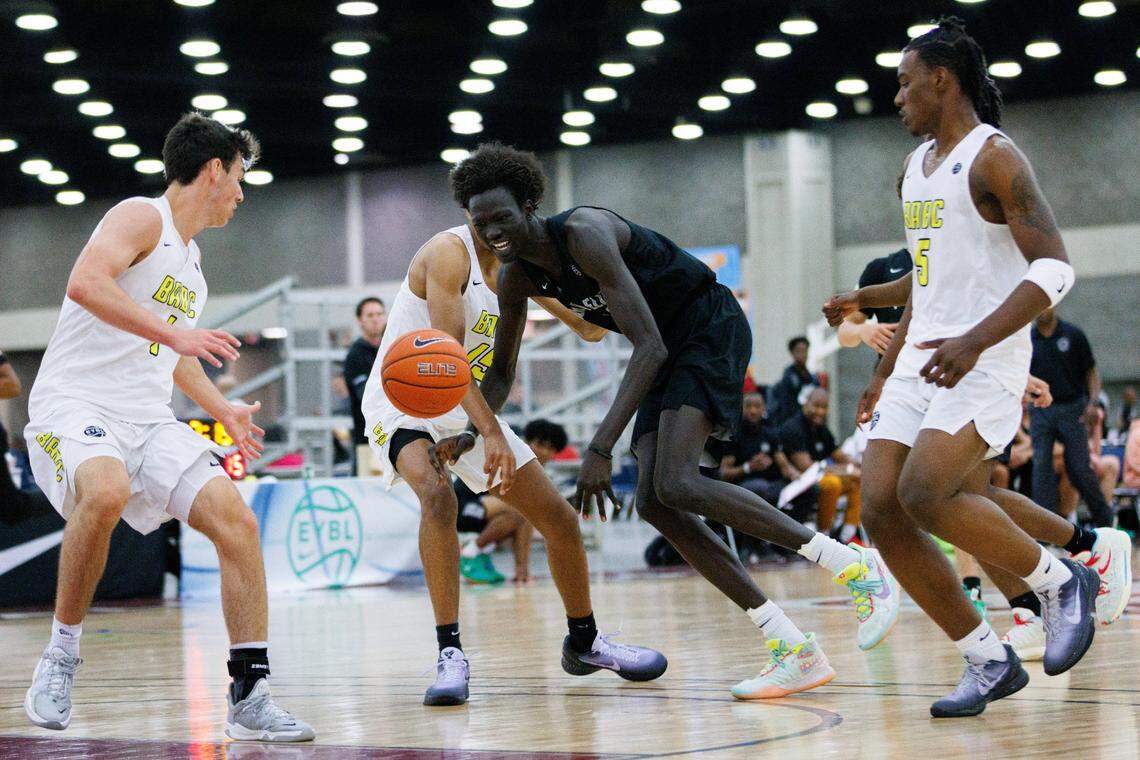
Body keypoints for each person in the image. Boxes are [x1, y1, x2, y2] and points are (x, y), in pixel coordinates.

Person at [436, 141, 901, 702]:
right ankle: (790, 644)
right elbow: (502, 372)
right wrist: (474, 429)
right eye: (480, 222)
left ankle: (854, 564)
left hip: (706, 327)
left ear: (530, 204)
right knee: (657, 502)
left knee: (676, 481)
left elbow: (649, 345)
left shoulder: (584, 232)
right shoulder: (516, 277)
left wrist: (600, 448)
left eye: (502, 217)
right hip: (662, 350)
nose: (492, 231)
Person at [20, 113, 313, 742]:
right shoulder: (140, 216)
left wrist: (222, 409)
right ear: (214, 169)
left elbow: (176, 356)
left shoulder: (193, 265)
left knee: (237, 522)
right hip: (76, 405)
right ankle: (61, 655)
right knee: (104, 492)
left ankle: (250, 694)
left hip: (148, 420)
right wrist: (174, 333)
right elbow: (85, 283)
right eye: (239, 178)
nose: (241, 193)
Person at [850, 18, 1106, 717]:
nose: (896, 97)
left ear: (942, 80)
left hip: (987, 354)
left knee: (927, 493)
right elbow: (927, 281)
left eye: (905, 83)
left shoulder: (996, 158)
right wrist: (883, 365)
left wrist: (972, 341)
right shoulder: (914, 170)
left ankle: (1061, 581)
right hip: (923, 358)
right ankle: (987, 659)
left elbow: (1055, 269)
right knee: (881, 508)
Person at [360, 220, 667, 707]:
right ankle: (450, 654)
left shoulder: (520, 266)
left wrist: (627, 293)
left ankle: (585, 642)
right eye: (482, 215)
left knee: (559, 518)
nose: (494, 226)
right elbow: (449, 359)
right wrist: (489, 432)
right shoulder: (448, 253)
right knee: (438, 496)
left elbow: (589, 329)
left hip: (467, 406)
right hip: (406, 401)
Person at [825, 259, 1132, 663]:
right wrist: (864, 331)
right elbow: (848, 330)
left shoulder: (966, 243)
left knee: (960, 498)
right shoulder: (885, 265)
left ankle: (1062, 575)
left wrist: (1017, 374)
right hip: (907, 386)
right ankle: (1065, 572)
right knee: (943, 501)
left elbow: (985, 306)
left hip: (961, 378)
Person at [456, 418, 570, 584]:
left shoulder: (538, 474)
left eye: (550, 448)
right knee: (523, 510)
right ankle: (469, 552)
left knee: (526, 515)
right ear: (528, 442)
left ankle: (521, 572)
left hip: (486, 512)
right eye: (540, 445)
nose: (544, 452)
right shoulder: (512, 457)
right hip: (462, 507)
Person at [1029, 308, 1114, 526]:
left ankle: (1105, 522)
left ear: (1054, 305)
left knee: (1078, 467)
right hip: (1040, 408)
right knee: (1041, 465)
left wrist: (1093, 402)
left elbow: (1091, 372)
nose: (1042, 309)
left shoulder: (1073, 334)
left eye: (1046, 304)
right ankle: (1045, 531)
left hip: (1073, 407)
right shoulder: (1028, 338)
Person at [780, 388, 863, 543]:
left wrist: (861, 465)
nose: (820, 411)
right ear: (806, 404)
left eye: (824, 407)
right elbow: (807, 468)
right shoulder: (793, 428)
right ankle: (824, 535)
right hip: (798, 482)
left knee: (857, 479)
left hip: (818, 477)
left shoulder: (821, 429)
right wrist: (848, 470)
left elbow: (839, 455)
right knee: (832, 483)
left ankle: (848, 534)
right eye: (816, 406)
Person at [718, 393, 806, 523]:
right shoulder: (734, 434)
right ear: (741, 408)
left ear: (763, 408)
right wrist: (748, 467)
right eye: (748, 406)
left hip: (770, 484)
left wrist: (796, 475)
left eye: (757, 406)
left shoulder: (769, 433)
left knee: (807, 489)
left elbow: (784, 465)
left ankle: (793, 530)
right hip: (742, 485)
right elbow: (723, 473)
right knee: (762, 487)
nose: (753, 411)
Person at [836, 248, 911, 355]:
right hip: (894, 362)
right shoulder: (881, 268)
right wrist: (861, 330)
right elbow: (843, 333)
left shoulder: (936, 267)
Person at [343, 296, 386, 471]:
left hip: (393, 438)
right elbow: (366, 396)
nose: (376, 319)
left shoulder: (391, 349)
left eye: (379, 314)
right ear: (360, 320)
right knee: (367, 485)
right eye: (370, 315)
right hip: (367, 440)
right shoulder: (355, 355)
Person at [766, 337, 820, 426]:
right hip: (794, 424)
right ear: (792, 353)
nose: (803, 354)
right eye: (799, 351)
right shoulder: (788, 378)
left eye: (805, 350)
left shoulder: (813, 379)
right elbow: (786, 407)